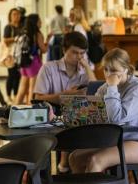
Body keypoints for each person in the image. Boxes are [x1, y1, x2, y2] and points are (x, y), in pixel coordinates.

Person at [69, 48, 138, 173]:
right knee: (75, 157)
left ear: (126, 69)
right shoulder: (104, 87)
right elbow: (93, 111)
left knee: (96, 160)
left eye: (114, 70)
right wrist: (75, 114)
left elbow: (117, 118)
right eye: (106, 69)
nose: (108, 74)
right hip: (118, 139)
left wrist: (112, 87)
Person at [33, 31, 96, 173]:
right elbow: (37, 98)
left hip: (77, 119)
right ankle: (64, 163)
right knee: (75, 109)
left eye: (82, 53)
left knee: (83, 109)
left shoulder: (84, 71)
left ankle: (67, 164)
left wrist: (86, 67)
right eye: (75, 53)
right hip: (52, 116)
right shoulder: (48, 68)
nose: (79, 57)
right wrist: (65, 96)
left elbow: (95, 92)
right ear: (64, 50)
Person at [15, 14, 48, 105]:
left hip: (24, 63)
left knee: (21, 90)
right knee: (32, 90)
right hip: (34, 63)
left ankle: (12, 112)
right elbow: (44, 50)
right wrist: (48, 40)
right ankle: (30, 112)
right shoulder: (37, 34)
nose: (41, 22)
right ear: (35, 22)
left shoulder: (24, 32)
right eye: (39, 20)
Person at [3, 8, 21, 101]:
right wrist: (15, 38)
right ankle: (9, 95)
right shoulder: (8, 27)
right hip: (10, 54)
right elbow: (5, 40)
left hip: (19, 55)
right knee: (11, 74)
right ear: (10, 16)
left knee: (18, 75)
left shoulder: (21, 27)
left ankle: (16, 94)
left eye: (18, 14)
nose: (16, 16)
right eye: (14, 14)